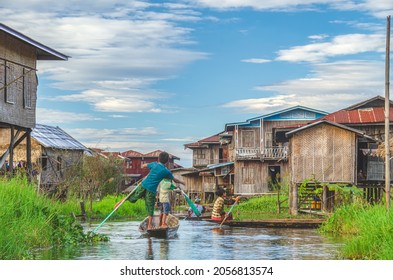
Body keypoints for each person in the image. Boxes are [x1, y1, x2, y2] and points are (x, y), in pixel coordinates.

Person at [127, 151, 185, 230]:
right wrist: (182, 182)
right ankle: (149, 226)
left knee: (133, 196)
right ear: (167, 161)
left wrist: (146, 166)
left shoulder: (154, 164)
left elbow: (144, 165)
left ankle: (123, 200)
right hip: (151, 190)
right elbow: (175, 180)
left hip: (143, 185)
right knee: (150, 207)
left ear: (158, 159)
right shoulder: (166, 171)